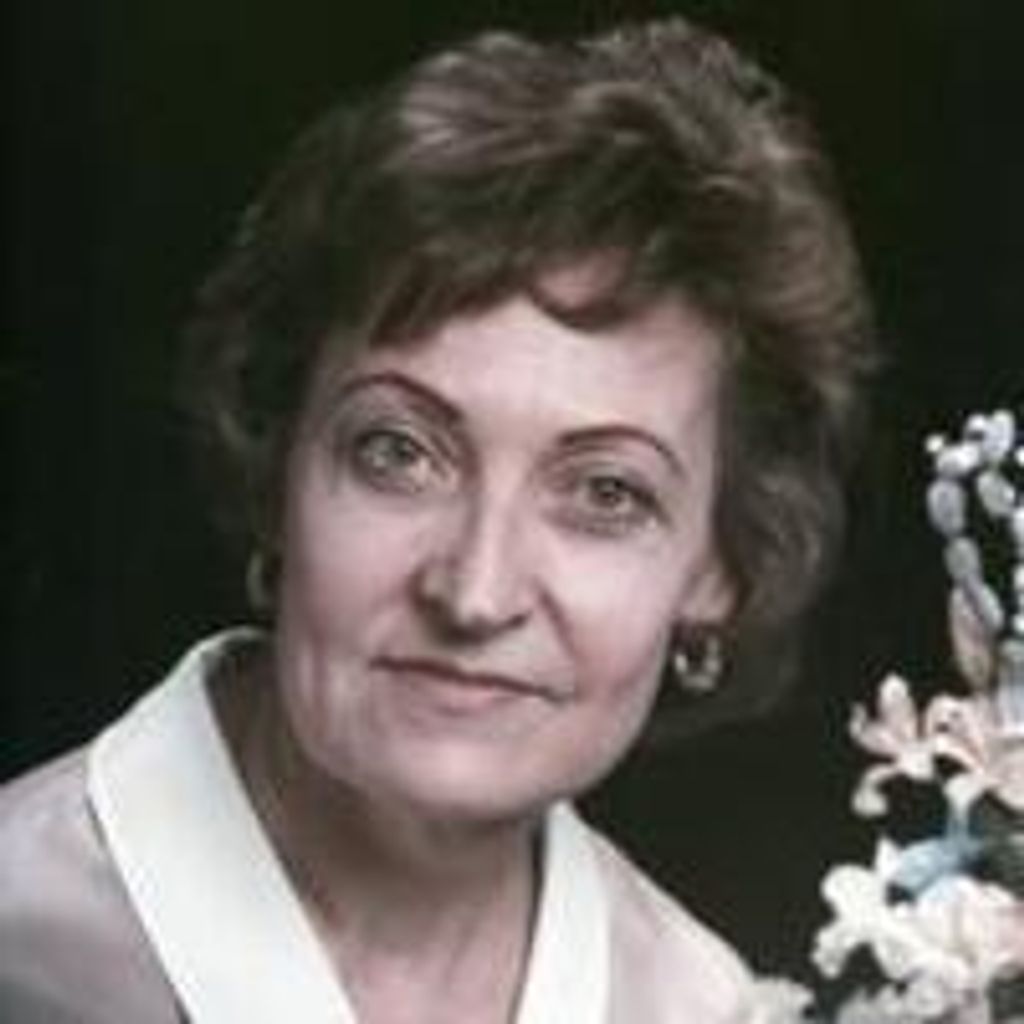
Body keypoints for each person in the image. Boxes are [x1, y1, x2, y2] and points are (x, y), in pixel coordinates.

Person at [0, 16, 874, 1023]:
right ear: (278, 462)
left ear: (719, 564)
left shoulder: (702, 1005)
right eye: (400, 453)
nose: (475, 593)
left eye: (606, 493)